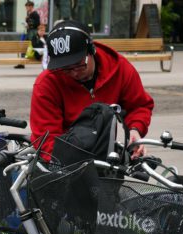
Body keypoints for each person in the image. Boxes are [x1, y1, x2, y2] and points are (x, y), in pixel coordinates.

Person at [30, 20, 154, 159]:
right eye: (65, 69)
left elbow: (139, 105)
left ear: (91, 50)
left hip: (110, 153)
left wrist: (135, 129)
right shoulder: (47, 83)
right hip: (66, 158)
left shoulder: (119, 68)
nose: (74, 73)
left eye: (79, 65)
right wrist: (66, 165)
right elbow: (46, 138)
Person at [15, 1, 40, 69]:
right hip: (28, 32)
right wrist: (26, 22)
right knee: (23, 47)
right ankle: (22, 63)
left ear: (31, 6)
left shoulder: (35, 14)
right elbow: (29, 23)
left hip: (32, 33)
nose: (26, 8)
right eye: (26, 7)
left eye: (27, 7)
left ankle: (37, 59)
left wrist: (29, 25)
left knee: (28, 46)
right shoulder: (28, 13)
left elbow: (37, 24)